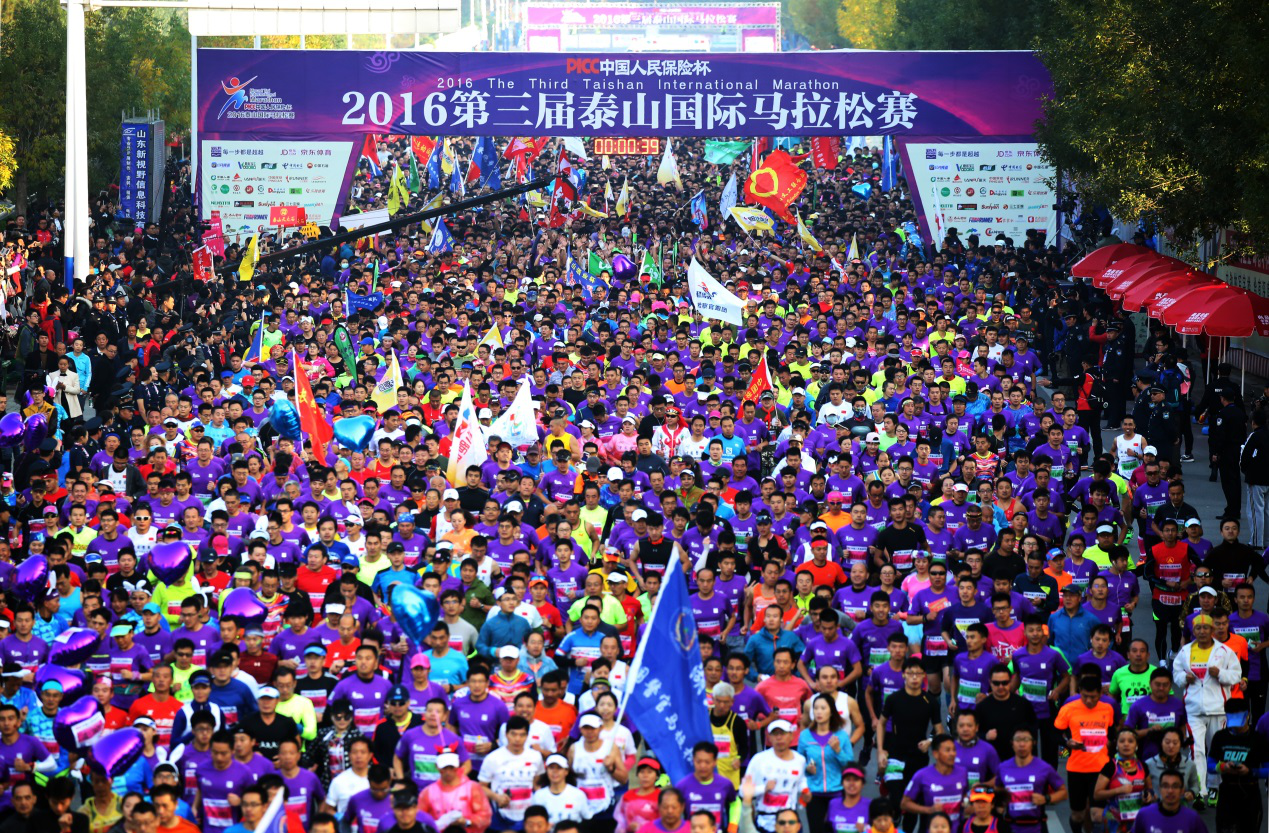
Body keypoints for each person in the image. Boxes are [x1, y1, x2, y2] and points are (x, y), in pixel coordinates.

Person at [1172, 613, 1244, 798]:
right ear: (1193, 631)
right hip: (1193, 709)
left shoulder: (1224, 651)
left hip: (1218, 709)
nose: (1202, 631)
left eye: (1206, 628)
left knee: (1216, 750)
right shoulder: (1185, 651)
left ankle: (1215, 788)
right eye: (1198, 628)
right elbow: (1176, 673)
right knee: (1196, 750)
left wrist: (1220, 673)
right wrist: (1183, 678)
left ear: (1212, 630)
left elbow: (1236, 675)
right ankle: (1199, 789)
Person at [1054, 676, 1116, 833]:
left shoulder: (1107, 709)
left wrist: (1110, 743)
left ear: (1100, 694)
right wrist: (1067, 743)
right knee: (1078, 815)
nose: (1089, 700)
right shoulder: (1068, 709)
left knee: (1097, 815)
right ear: (1079, 691)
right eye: (1085, 696)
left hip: (1101, 769)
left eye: (1093, 697)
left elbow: (1112, 733)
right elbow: (1055, 734)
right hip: (1077, 769)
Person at [1206, 698, 1268, 833]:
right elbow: (1210, 765)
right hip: (1227, 793)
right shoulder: (1220, 737)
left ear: (1247, 716)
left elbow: (1267, 769)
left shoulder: (1257, 739)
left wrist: (1250, 771)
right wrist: (1223, 767)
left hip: (1250, 794)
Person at [1128, 770, 1208, 833]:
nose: (1170, 791)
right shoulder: (1144, 814)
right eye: (1165, 786)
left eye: (1175, 786)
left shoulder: (1192, 818)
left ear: (1182, 790)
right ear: (1159, 789)